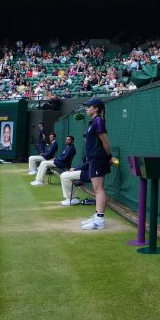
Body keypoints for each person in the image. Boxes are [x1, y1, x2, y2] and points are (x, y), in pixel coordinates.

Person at [58, 99, 113, 230]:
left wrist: (109, 157)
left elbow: (105, 142)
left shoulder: (98, 121)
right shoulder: (93, 122)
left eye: (89, 107)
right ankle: (97, 216)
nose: (86, 109)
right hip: (94, 159)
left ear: (96, 108)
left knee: (99, 189)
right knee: (97, 189)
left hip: (98, 159)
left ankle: (99, 220)